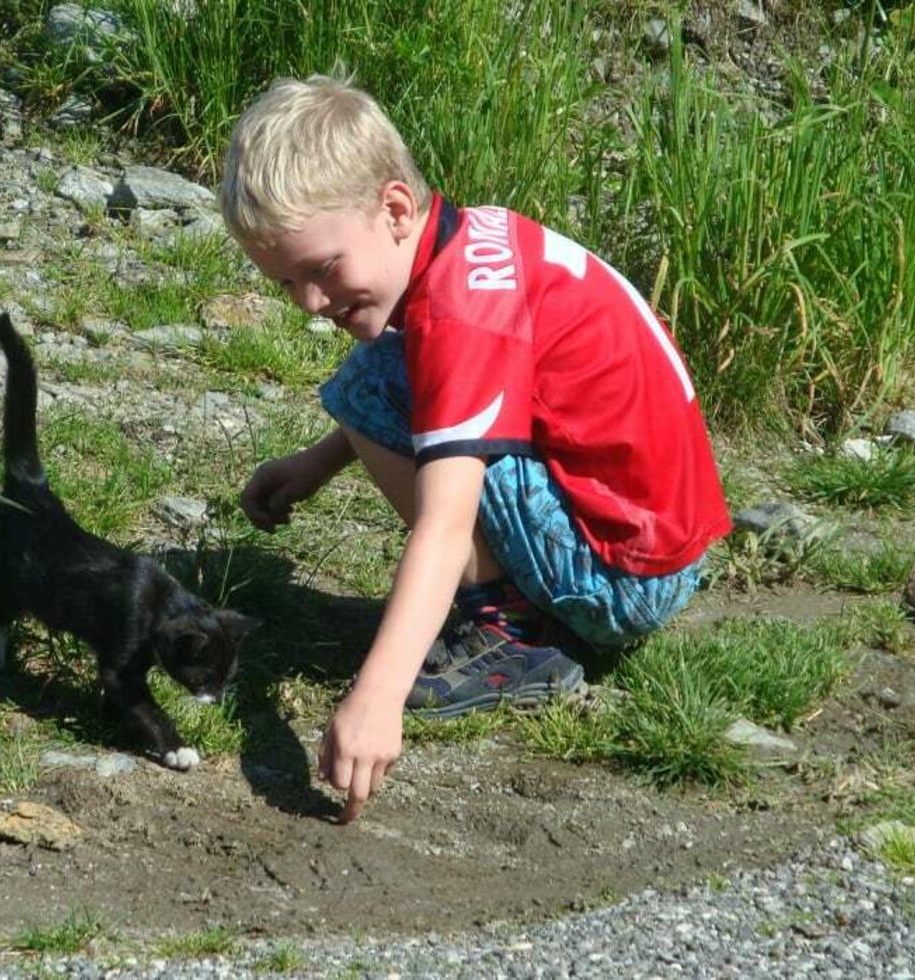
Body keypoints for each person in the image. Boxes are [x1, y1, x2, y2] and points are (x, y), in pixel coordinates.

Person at [218, 74, 732, 824]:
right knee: (380, 376)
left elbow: (445, 520)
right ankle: (519, 607)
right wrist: (318, 463)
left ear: (394, 208)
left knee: (370, 387)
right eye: (287, 283)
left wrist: (375, 697)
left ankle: (510, 633)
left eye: (322, 270)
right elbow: (446, 385)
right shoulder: (474, 241)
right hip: (660, 534)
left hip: (625, 577)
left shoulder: (464, 316)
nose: (310, 303)